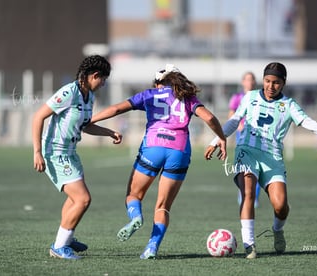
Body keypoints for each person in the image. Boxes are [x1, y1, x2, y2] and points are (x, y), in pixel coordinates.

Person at [91, 64, 227, 259]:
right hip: (179, 151)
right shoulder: (188, 98)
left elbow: (115, 108)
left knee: (133, 195)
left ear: (157, 82)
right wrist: (221, 138)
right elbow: (210, 117)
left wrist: (90, 121)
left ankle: (136, 216)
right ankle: (151, 247)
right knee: (163, 206)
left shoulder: (149, 94)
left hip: (153, 147)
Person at [205, 62, 317, 259]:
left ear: (283, 83)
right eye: (267, 81)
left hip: (272, 157)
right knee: (247, 193)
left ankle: (277, 230)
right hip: (246, 151)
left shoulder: (289, 105)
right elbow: (234, 121)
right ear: (263, 80)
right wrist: (216, 140)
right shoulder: (250, 97)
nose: (270, 86)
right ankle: (249, 244)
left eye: (275, 82)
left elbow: (306, 120)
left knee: (281, 206)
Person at [32, 55, 122, 260]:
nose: (104, 84)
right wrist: (37, 151)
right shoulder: (68, 92)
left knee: (75, 199)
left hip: (71, 153)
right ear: (94, 75)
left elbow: (86, 125)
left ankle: (67, 238)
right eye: (103, 79)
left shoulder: (89, 96)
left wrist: (109, 133)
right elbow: (38, 117)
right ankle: (59, 247)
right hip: (55, 153)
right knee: (83, 199)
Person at [228, 72, 261, 208]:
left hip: (258, 137)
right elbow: (231, 114)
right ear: (243, 82)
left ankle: (254, 198)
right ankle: (243, 194)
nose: (250, 82)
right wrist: (239, 125)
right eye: (247, 79)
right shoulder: (237, 97)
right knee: (243, 167)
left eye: (252, 79)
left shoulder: (260, 97)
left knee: (257, 168)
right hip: (242, 136)